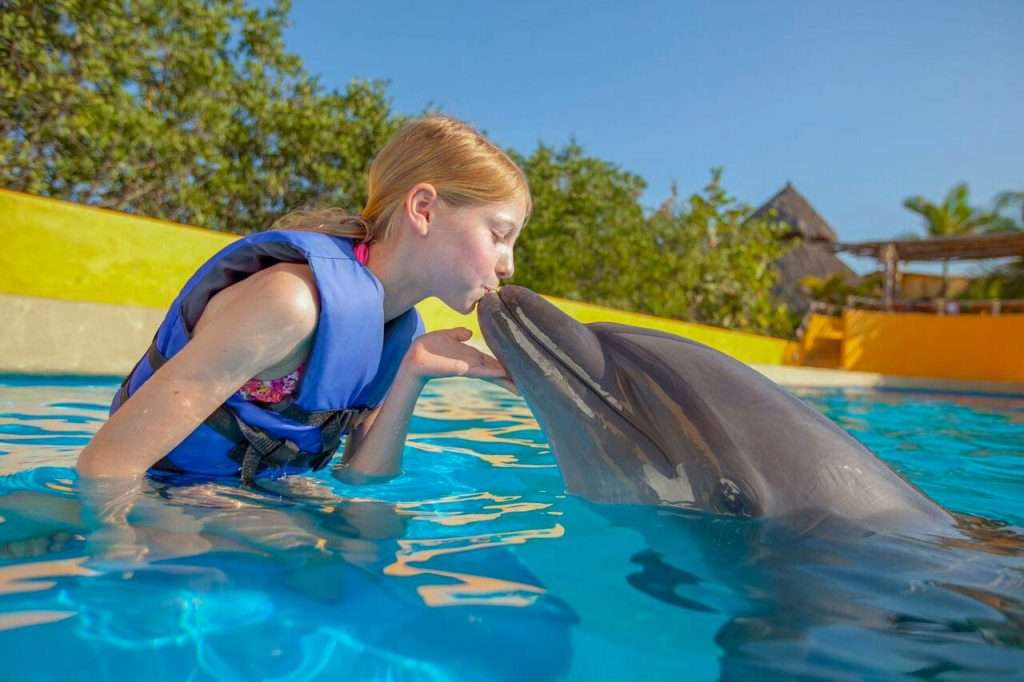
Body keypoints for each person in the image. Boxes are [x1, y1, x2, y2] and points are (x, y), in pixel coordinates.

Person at [77, 115, 528, 483]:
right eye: (499, 235)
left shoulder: (399, 333)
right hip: (164, 497)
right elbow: (107, 465)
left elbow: (361, 481)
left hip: (247, 500)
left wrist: (413, 375)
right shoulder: (291, 302)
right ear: (424, 209)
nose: (507, 265)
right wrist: (122, 561)